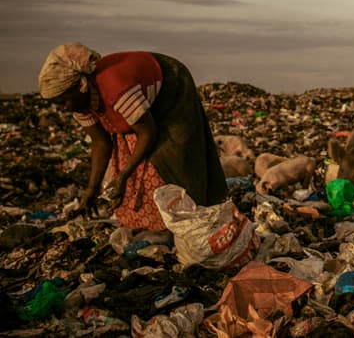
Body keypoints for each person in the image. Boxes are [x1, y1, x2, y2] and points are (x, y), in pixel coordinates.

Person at [38, 42, 228, 231]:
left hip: (171, 85)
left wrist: (123, 176)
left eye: (63, 101)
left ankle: (193, 218)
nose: (63, 108)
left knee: (171, 155)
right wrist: (92, 189)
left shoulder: (116, 89)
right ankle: (146, 224)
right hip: (137, 97)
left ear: (81, 86)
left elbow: (148, 132)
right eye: (57, 104)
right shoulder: (79, 103)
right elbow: (101, 142)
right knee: (128, 153)